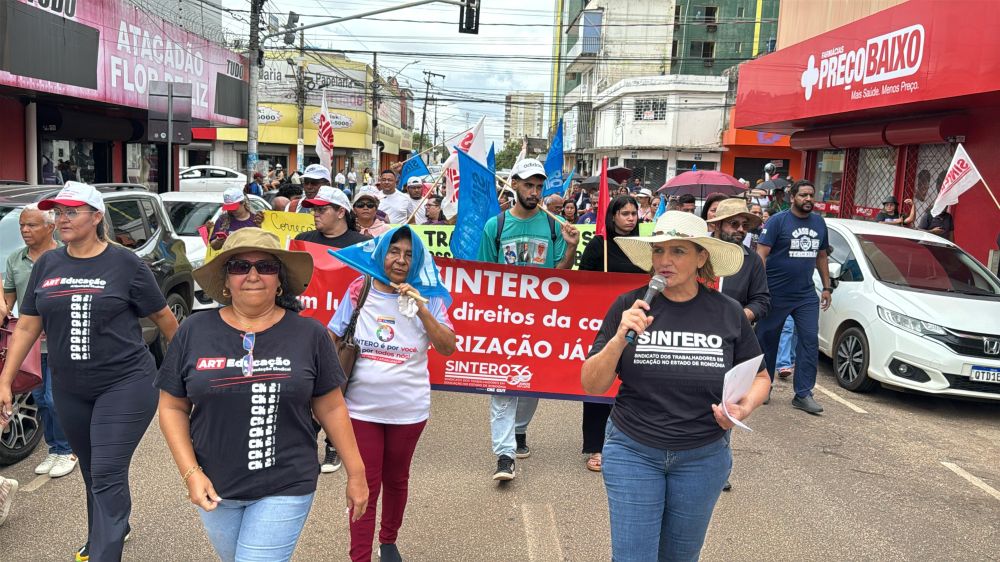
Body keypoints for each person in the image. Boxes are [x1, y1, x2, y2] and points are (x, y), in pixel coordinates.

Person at [156, 228, 368, 562]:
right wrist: (191, 473)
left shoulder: (310, 334)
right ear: (226, 281)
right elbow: (171, 407)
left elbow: (331, 407)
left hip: (286, 481)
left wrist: (357, 475)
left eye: (266, 267)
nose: (253, 275)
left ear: (280, 281)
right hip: (215, 484)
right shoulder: (194, 332)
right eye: (240, 266)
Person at [0, 182, 179, 562]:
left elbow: (164, 319)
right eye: (58, 212)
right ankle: (113, 525)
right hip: (69, 387)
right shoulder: (48, 263)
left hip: (126, 382)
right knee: (94, 470)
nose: (61, 219)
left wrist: (184, 373)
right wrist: (4, 380)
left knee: (108, 469)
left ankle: (103, 551)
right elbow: (29, 325)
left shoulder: (126, 263)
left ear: (96, 217)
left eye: (71, 212)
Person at [582, 210, 770, 561]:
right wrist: (619, 339)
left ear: (702, 258)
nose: (664, 261)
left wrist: (743, 408)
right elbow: (592, 384)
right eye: (658, 251)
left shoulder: (728, 312)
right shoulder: (629, 306)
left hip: (703, 456)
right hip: (633, 450)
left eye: (678, 251)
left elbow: (761, 376)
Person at [328, 226, 456, 562]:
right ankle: (360, 557)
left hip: (409, 410)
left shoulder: (433, 296)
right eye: (394, 251)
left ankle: (388, 540)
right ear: (381, 253)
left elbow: (447, 347)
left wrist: (422, 308)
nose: (400, 260)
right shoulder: (361, 287)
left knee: (397, 479)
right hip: (359, 409)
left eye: (409, 254)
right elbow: (331, 336)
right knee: (363, 485)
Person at [477, 158, 580, 481]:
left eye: (538, 186)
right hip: (504, 319)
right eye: (528, 185)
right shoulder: (495, 226)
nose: (534, 192)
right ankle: (504, 454)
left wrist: (571, 248)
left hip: (539, 321)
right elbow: (484, 275)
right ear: (515, 185)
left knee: (532, 384)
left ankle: (520, 430)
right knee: (502, 386)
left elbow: (561, 274)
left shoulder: (552, 226)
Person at [3, 204, 76, 478]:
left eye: (31, 225)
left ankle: (68, 450)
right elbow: (9, 300)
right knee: (39, 399)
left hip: (62, 341)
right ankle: (54, 450)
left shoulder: (66, 256)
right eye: (22, 225)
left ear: (50, 227)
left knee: (56, 399)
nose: (25, 230)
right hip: (30, 344)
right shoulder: (14, 260)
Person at [706, 199, 770, 492]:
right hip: (696, 337)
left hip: (731, 342)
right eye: (734, 224)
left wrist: (740, 316)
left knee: (726, 406)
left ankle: (719, 471)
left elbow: (762, 300)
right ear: (717, 225)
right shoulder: (700, 253)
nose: (740, 230)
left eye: (745, 225)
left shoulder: (752, 259)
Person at [577, 196, 645, 473]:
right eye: (625, 213)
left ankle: (632, 439)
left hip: (639, 324)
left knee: (634, 382)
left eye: (634, 214)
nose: (630, 218)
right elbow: (582, 282)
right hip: (603, 322)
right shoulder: (599, 246)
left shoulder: (643, 246)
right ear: (612, 216)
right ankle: (596, 445)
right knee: (600, 383)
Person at [755, 180, 832, 413]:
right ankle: (762, 387)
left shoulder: (819, 223)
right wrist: (758, 289)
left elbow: (821, 256)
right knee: (767, 340)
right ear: (792, 198)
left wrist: (827, 287)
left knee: (809, 340)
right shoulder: (778, 221)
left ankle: (803, 394)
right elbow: (761, 255)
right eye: (803, 195)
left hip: (805, 294)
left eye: (811, 195)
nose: (808, 199)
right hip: (775, 293)